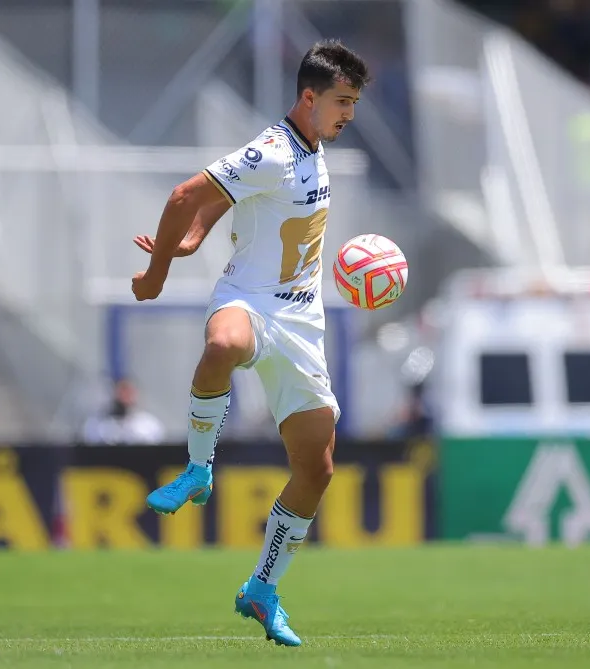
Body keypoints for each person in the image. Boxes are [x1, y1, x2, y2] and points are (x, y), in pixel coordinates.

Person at [130, 39, 370, 646]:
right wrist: (161, 269)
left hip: (301, 324)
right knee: (223, 345)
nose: (349, 114)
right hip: (249, 300)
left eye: (354, 104)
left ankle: (262, 589)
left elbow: (218, 200)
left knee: (315, 469)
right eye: (342, 102)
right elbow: (186, 194)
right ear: (309, 98)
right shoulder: (273, 150)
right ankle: (197, 469)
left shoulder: (315, 149)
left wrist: (198, 232)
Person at [81, 378, 166, 445]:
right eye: (121, 391)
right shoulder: (97, 424)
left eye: (128, 392)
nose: (125, 396)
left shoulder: (149, 424)